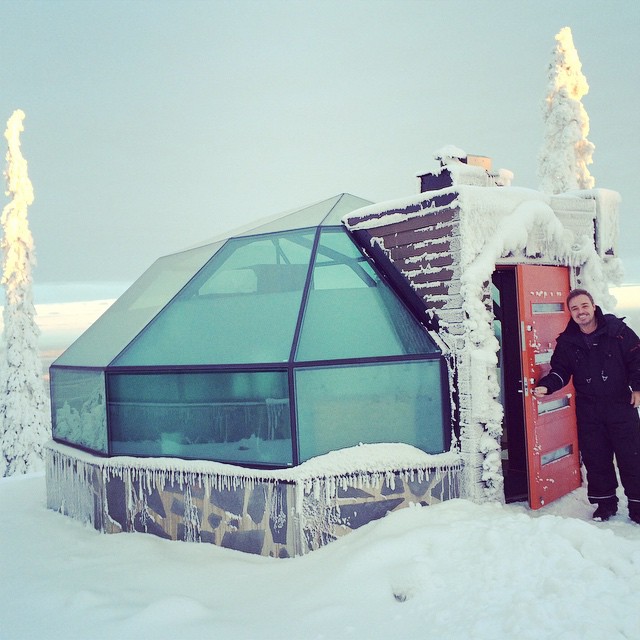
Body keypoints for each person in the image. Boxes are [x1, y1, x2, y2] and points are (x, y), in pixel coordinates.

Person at [533, 288, 640, 524]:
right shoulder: (568, 342)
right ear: (570, 313)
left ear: (593, 306)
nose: (581, 312)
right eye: (575, 309)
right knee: (596, 457)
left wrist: (637, 387)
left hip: (621, 405)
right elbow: (560, 370)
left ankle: (637, 506)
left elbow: (637, 358)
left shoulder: (618, 332)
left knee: (632, 457)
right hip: (590, 409)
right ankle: (605, 504)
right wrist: (547, 386)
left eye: (584, 306)